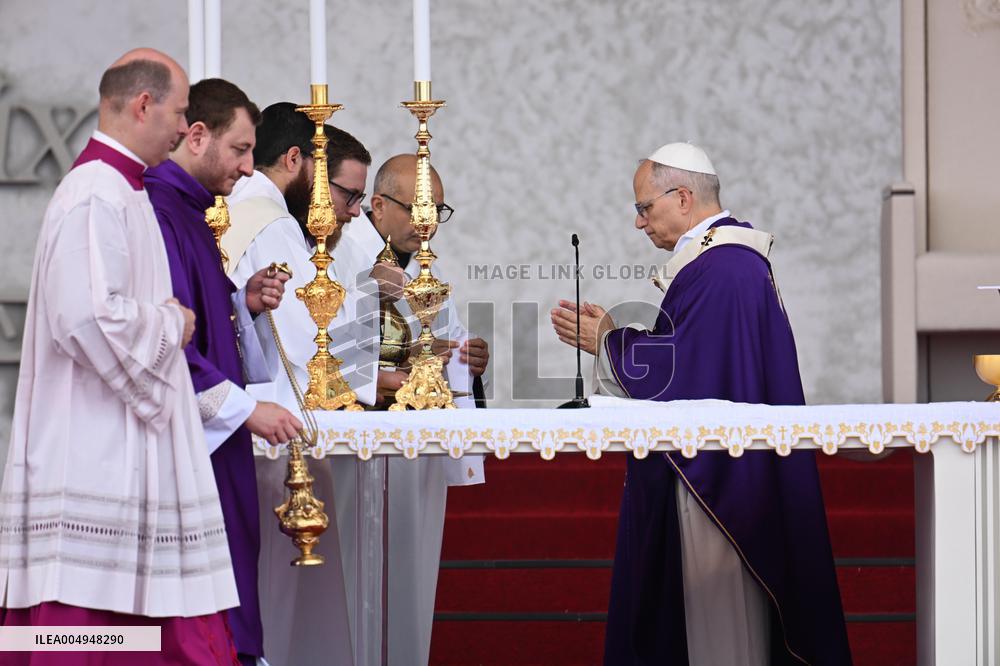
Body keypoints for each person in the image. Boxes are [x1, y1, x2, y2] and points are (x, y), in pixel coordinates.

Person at [551, 143, 851, 665]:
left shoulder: (724, 269)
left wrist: (610, 339)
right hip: (724, 468)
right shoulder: (720, 264)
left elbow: (690, 374)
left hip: (722, 483)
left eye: (644, 207)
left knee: (722, 627)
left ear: (683, 198)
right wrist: (615, 337)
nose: (639, 223)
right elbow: (695, 358)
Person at [0, 49, 241, 664]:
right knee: (90, 627)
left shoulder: (122, 188)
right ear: (142, 105)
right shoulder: (94, 194)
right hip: (96, 451)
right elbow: (84, 315)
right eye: (180, 112)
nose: (184, 127)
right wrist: (172, 323)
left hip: (122, 444)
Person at [144, 79, 302, 666]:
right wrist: (245, 410)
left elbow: (201, 318)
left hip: (215, 444)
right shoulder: (159, 211)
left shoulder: (193, 211)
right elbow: (163, 342)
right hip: (189, 444)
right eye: (239, 150)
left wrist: (243, 303)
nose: (246, 167)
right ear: (197, 135)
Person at [225, 109, 379, 666]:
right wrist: (377, 380)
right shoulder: (273, 224)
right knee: (289, 587)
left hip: (243, 417)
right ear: (297, 161)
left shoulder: (236, 214)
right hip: (283, 426)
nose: (348, 211)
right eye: (344, 193)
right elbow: (306, 341)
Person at [335, 153, 487, 666]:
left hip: (414, 447)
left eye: (437, 211)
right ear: (377, 205)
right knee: (354, 586)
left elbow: (448, 345)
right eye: (416, 208)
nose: (427, 224)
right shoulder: (340, 256)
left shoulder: (423, 270)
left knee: (411, 580)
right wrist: (375, 378)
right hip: (359, 443)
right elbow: (315, 347)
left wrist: (468, 358)